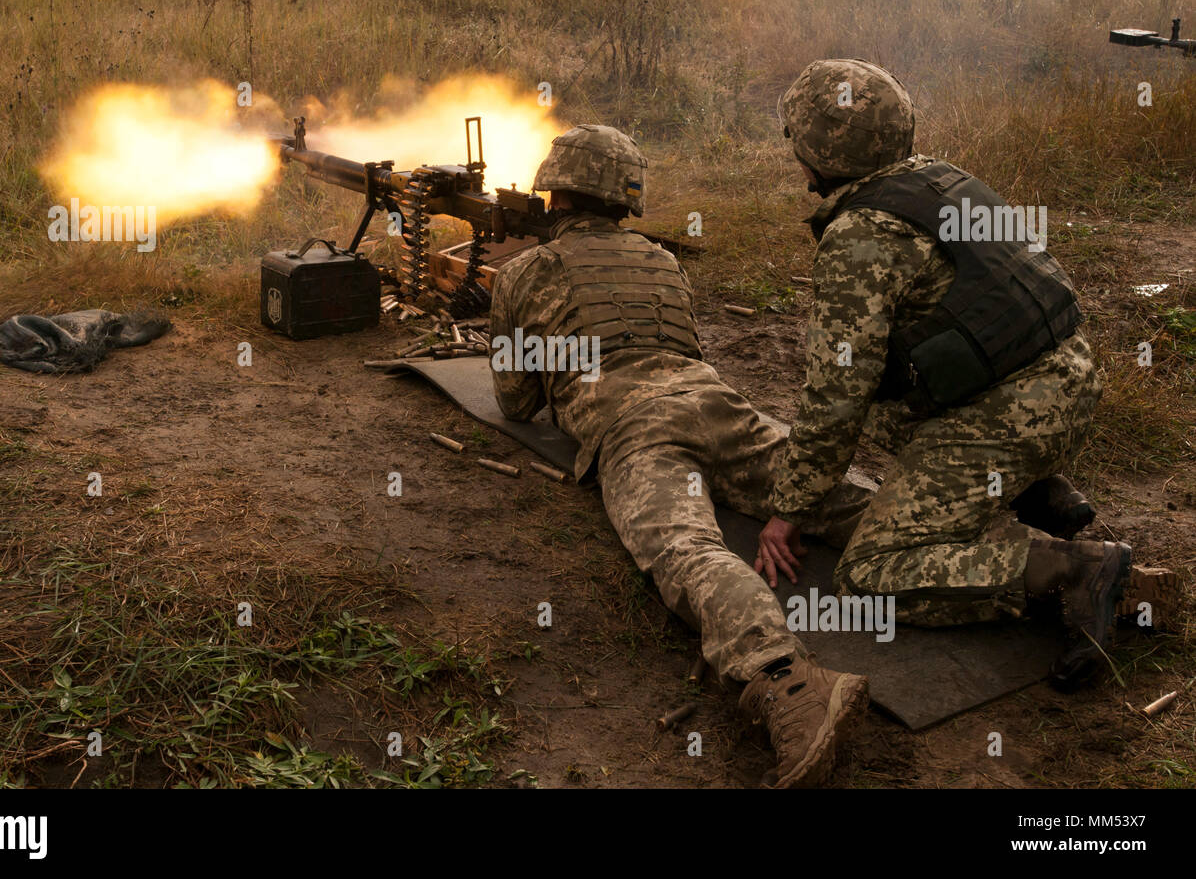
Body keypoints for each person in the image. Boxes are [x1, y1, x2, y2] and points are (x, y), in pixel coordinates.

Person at [490, 124, 873, 787]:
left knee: (688, 550)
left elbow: (516, 403)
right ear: (626, 200)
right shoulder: (663, 261)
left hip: (635, 426)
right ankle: (1053, 565)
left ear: (554, 197)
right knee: (844, 499)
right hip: (718, 402)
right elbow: (685, 350)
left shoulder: (525, 273)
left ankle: (789, 685)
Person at [762, 58, 1154, 690]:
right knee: (895, 401)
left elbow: (837, 393)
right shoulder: (937, 180)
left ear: (813, 151)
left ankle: (1074, 569)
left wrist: (790, 509)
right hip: (1070, 382)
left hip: (1010, 415)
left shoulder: (862, 235)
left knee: (870, 570)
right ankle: (1037, 493)